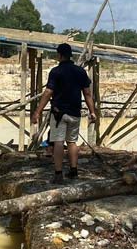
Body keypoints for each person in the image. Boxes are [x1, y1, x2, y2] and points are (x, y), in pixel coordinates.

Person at [32, 43, 97, 184]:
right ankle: (74, 170)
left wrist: (37, 112)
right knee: (72, 142)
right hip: (75, 113)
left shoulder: (56, 72)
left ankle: (58, 173)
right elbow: (87, 93)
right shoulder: (80, 72)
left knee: (58, 142)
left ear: (59, 55)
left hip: (59, 113)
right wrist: (92, 111)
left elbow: (48, 92)